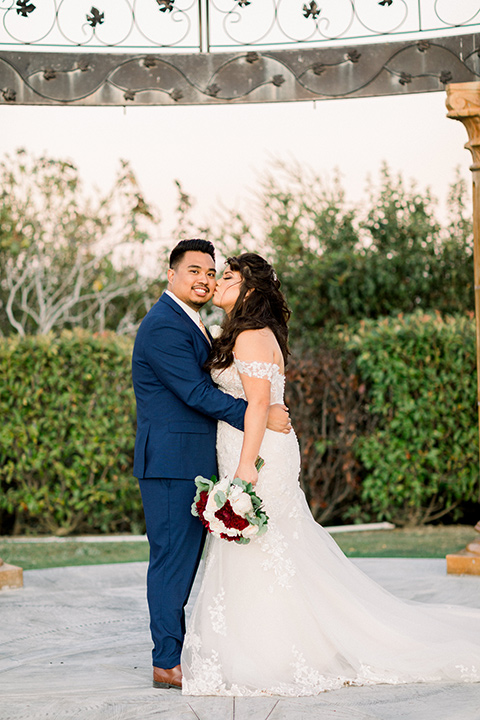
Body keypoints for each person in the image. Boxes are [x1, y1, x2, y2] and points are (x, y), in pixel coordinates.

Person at [181, 252, 480, 697]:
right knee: (265, 546)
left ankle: (280, 652)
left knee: (270, 544)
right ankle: (271, 643)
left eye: (227, 276)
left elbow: (260, 404)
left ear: (249, 289)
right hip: (245, 446)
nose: (218, 281)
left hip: (259, 453)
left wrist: (245, 469)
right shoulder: (235, 334)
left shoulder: (250, 336)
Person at [131, 239, 290, 690]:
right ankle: (167, 662)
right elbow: (195, 394)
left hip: (196, 460)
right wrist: (259, 415)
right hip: (171, 463)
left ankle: (192, 652)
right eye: (194, 271)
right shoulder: (163, 326)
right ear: (171, 274)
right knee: (172, 563)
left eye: (211, 272)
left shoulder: (197, 324)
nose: (204, 279)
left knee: (192, 563)